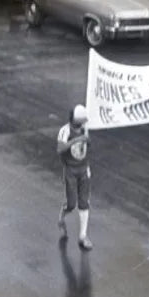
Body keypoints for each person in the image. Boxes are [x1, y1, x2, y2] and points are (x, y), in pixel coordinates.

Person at [57, 104, 93, 250]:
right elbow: (60, 149)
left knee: (84, 203)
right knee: (72, 204)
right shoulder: (64, 131)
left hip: (84, 169)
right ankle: (62, 215)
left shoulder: (85, 128)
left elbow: (88, 144)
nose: (80, 126)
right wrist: (76, 140)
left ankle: (83, 236)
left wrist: (86, 140)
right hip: (71, 171)